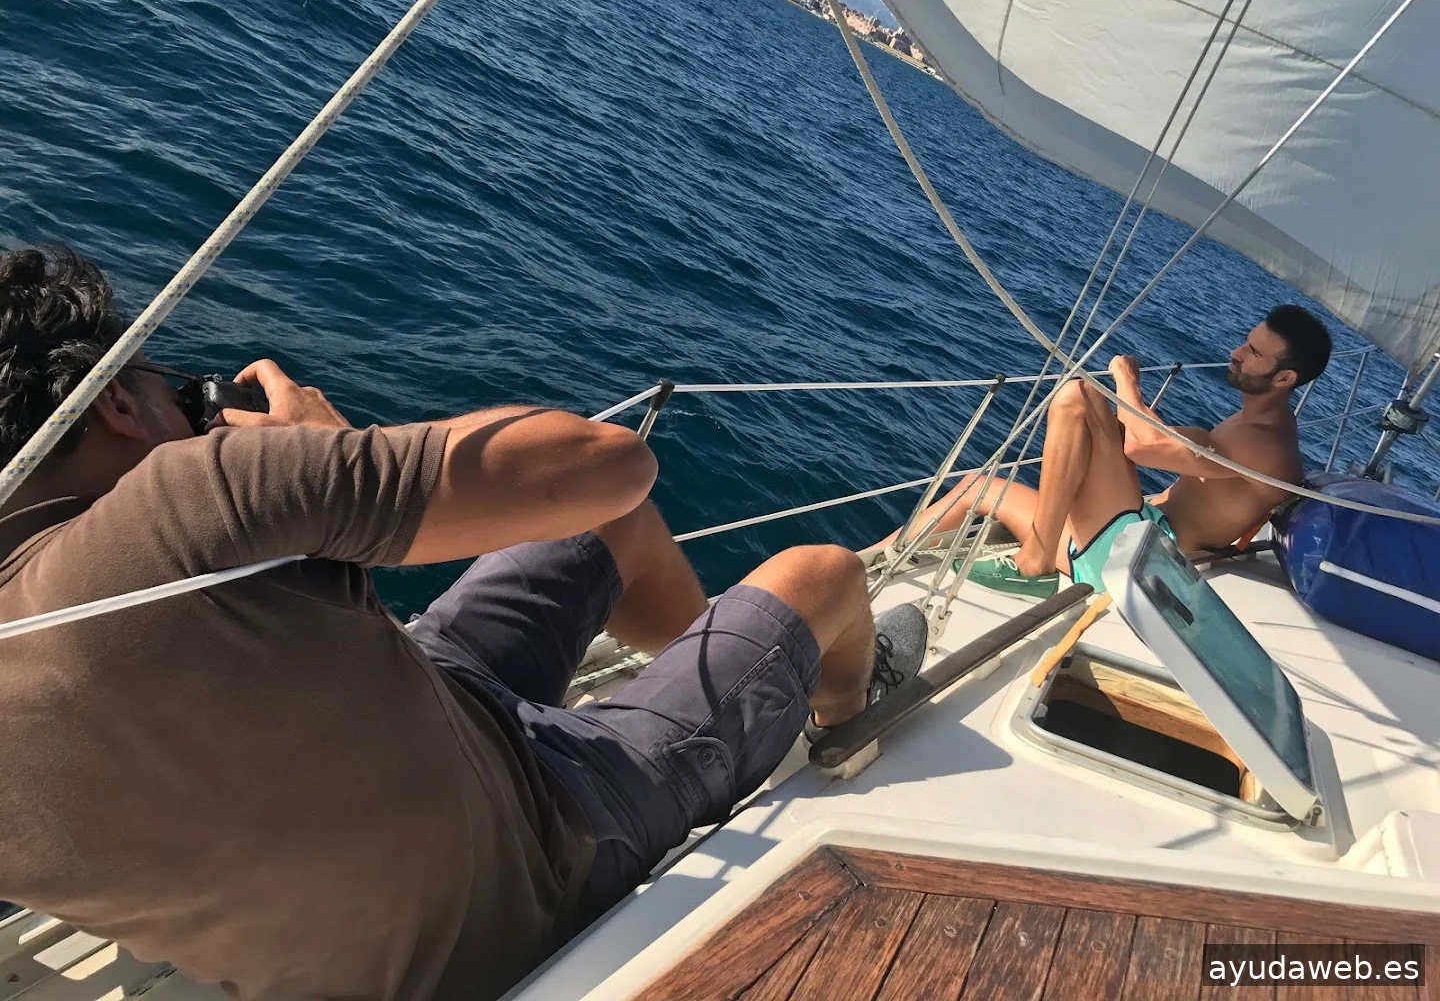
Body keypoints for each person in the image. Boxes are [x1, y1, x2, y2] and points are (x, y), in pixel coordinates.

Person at [0, 243, 927, 1001]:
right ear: (114, 401)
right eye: (177, 392)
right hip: (542, 848)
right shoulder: (188, 498)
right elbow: (612, 464)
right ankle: (831, 707)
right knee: (824, 575)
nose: (196, 413)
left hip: (421, 719)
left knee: (605, 531)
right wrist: (318, 447)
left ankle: (709, 678)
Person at [867, 306, 1331, 598]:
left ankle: (1034, 563)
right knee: (977, 486)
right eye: (1246, 341)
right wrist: (1132, 414)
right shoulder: (1256, 426)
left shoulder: (1265, 444)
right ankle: (866, 559)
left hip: (1138, 559)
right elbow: (1174, 445)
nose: (1236, 352)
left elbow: (1143, 446)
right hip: (1136, 532)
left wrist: (1126, 380)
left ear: (1285, 378)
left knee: (1075, 395)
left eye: (1253, 352)